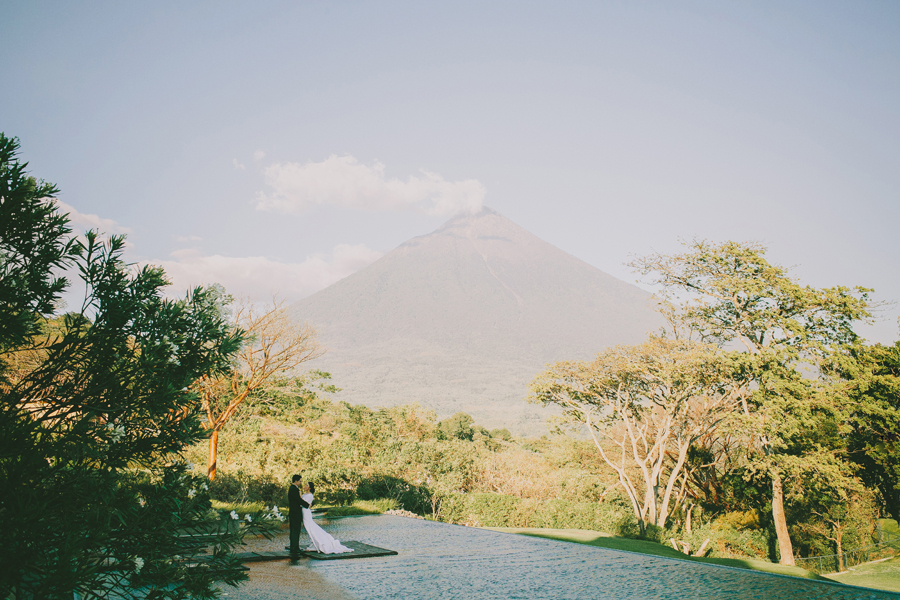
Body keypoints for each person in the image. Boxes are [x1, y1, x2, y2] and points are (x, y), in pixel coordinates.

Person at [302, 482, 354, 554]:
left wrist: (299, 497)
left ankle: (317, 544)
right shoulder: (304, 494)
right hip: (303, 512)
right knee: (310, 529)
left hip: (306, 513)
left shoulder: (310, 495)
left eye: (306, 485)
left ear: (309, 488)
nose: (305, 486)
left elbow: (304, 504)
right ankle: (314, 544)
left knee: (310, 528)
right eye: (305, 485)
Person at [287, 474, 311, 555]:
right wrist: (307, 505)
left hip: (294, 512)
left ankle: (294, 547)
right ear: (295, 481)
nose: (301, 483)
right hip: (295, 513)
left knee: (294, 530)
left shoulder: (293, 488)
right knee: (295, 530)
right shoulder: (293, 489)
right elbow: (298, 500)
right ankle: (294, 548)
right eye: (300, 481)